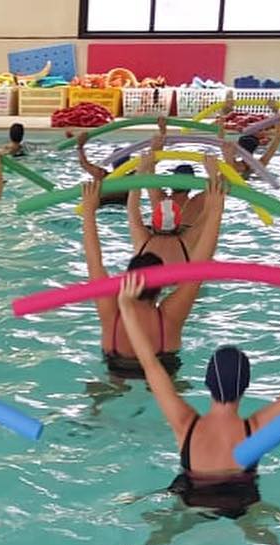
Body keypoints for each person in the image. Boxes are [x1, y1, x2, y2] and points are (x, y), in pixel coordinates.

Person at [118, 275, 280, 515]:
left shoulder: (185, 425)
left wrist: (127, 306)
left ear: (208, 382)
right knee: (265, 528)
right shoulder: (255, 429)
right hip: (241, 500)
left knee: (165, 526)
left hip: (192, 496)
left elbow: (150, 364)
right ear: (245, 387)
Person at [81, 168, 225, 379]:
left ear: (126, 281)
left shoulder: (110, 312)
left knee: (101, 399)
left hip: (117, 366)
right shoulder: (169, 316)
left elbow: (94, 262)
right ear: (160, 289)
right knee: (175, 402)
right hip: (163, 368)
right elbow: (200, 267)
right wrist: (215, 211)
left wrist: (88, 211)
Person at [126, 150, 217, 265]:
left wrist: (142, 167)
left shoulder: (143, 239)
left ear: (153, 222)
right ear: (178, 224)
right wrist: (214, 173)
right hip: (184, 261)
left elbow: (132, 205)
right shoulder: (188, 238)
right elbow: (216, 201)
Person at [76, 133, 129, 206]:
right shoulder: (133, 177)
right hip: (123, 207)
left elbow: (84, 164)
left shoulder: (101, 175)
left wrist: (80, 146)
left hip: (102, 206)